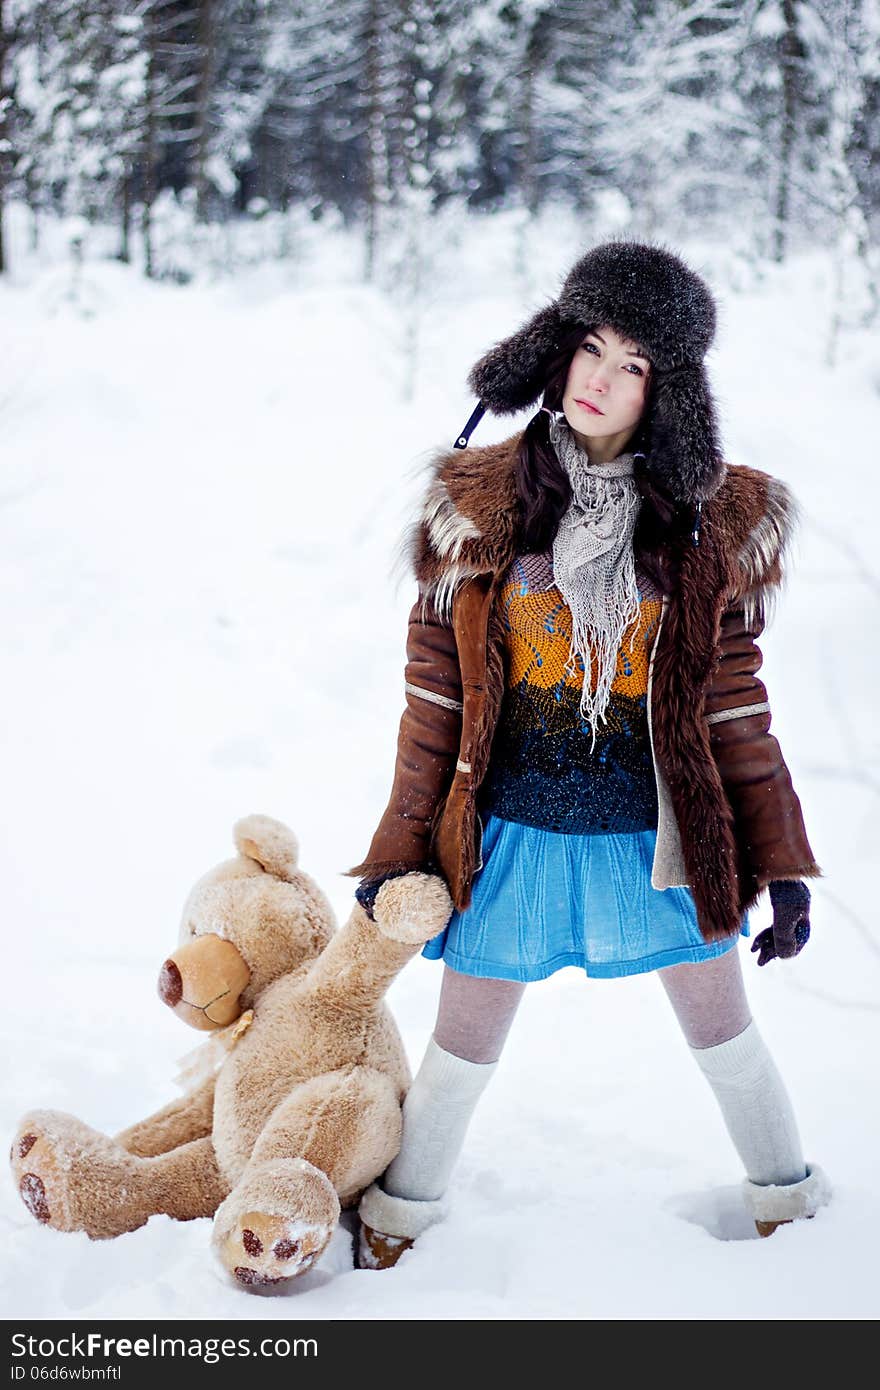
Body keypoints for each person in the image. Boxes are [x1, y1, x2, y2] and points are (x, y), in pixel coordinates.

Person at [344, 240, 831, 1270]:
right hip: (511, 836)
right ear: (557, 351)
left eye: (634, 365)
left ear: (668, 392)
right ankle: (395, 1224)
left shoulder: (706, 528)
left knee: (727, 1039)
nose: (601, 381)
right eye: (591, 350)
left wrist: (780, 862)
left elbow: (735, 709)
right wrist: (398, 847)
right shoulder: (477, 509)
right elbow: (432, 706)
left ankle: (791, 1207)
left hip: (655, 842)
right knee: (460, 1052)